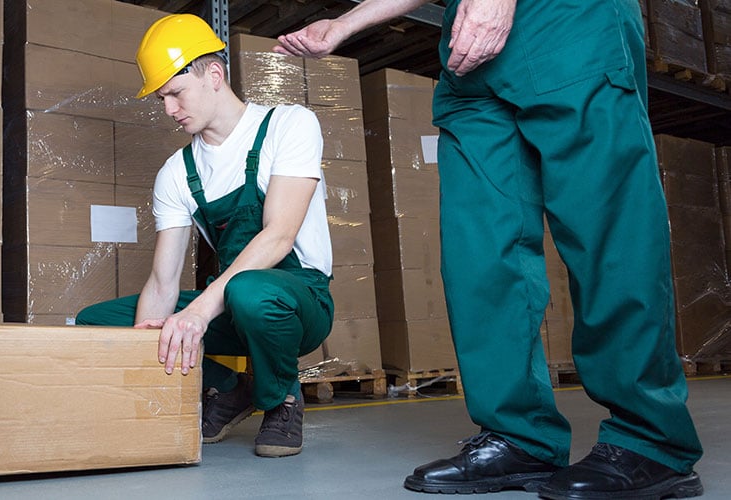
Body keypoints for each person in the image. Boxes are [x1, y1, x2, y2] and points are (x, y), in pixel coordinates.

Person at [277, 0, 704, 498]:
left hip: (568, 21)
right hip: (471, 58)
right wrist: (347, 23)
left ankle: (651, 440)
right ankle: (520, 437)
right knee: (479, 254)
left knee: (608, 236)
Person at [74, 13, 334, 459]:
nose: (169, 110)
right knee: (100, 322)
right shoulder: (177, 173)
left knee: (251, 292)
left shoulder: (290, 125)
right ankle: (231, 390)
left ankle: (281, 400)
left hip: (297, 301)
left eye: (176, 93)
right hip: (229, 308)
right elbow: (162, 282)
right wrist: (148, 352)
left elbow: (279, 236)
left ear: (214, 75)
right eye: (162, 99)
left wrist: (195, 315)